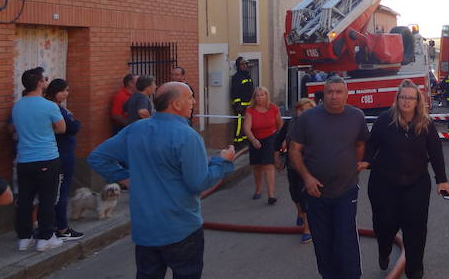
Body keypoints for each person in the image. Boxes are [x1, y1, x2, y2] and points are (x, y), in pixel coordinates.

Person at [88, 82, 235, 279]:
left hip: (145, 230)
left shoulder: (136, 130)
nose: (194, 101)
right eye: (190, 97)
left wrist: (124, 178)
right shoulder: (188, 136)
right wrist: (222, 162)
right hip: (181, 228)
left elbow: (97, 157)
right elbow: (198, 183)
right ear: (176, 104)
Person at [359, 80, 449, 278]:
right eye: (403, 97)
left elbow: (435, 151)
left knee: (416, 230)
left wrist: (441, 180)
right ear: (397, 99)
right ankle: (384, 249)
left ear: (417, 101)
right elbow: (372, 145)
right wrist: (366, 161)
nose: (406, 101)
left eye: (411, 98)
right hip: (384, 184)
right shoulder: (385, 120)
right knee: (384, 225)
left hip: (416, 184)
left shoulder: (426, 123)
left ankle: (415, 269)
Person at [289, 76, 369, 279]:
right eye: (330, 92)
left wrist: (353, 167)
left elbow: (360, 145)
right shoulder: (308, 118)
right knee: (322, 241)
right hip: (316, 192)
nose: (334, 96)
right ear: (323, 95)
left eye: (338, 92)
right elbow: (294, 150)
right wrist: (307, 178)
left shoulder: (356, 116)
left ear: (346, 94)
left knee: (345, 239)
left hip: (346, 190)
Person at [11, 67, 66, 252]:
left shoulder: (17, 106)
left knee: (25, 199)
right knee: (47, 199)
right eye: (45, 79)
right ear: (40, 83)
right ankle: (45, 237)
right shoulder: (49, 106)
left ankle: (24, 238)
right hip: (47, 157)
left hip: (24, 159)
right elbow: (61, 128)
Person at [45, 78, 83, 241]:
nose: (66, 94)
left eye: (67, 90)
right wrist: (74, 121)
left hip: (60, 153)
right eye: (63, 91)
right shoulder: (55, 108)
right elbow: (73, 126)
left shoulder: (57, 107)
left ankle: (55, 225)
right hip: (62, 154)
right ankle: (61, 228)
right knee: (62, 192)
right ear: (54, 92)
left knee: (56, 192)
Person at [274, 98, 315, 244]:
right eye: (300, 109)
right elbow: (278, 139)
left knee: (306, 197)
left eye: (307, 110)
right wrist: (277, 156)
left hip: (310, 166)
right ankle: (299, 212)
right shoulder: (290, 123)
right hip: (293, 165)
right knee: (294, 193)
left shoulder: (317, 125)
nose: (303, 113)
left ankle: (307, 229)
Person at [244, 86, 283, 204]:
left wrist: (280, 141)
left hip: (270, 138)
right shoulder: (250, 110)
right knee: (257, 166)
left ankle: (271, 195)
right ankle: (258, 189)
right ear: (254, 97)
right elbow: (246, 128)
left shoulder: (273, 108)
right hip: (255, 138)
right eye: (257, 95)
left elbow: (280, 125)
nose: (260, 97)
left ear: (267, 96)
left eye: (262, 95)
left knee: (269, 165)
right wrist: (253, 140)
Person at [230, 57, 253, 144]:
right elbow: (234, 91)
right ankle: (237, 142)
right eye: (243, 64)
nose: (245, 66)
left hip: (248, 105)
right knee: (239, 123)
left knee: (246, 123)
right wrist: (237, 104)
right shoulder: (237, 77)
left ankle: (245, 140)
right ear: (238, 66)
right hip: (240, 106)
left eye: (246, 64)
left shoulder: (248, 76)